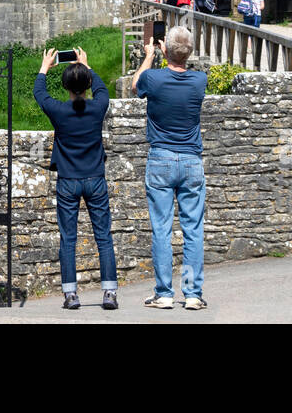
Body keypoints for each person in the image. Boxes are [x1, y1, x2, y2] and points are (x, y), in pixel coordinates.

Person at [35, 47, 118, 310]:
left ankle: (71, 295)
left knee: (68, 238)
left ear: (66, 87)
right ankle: (109, 293)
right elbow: (103, 92)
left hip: (68, 180)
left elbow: (40, 95)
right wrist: (88, 66)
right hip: (95, 178)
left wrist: (44, 68)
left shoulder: (59, 112)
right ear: (88, 85)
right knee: (103, 236)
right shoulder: (97, 108)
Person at [130, 25, 207, 310]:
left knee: (161, 229)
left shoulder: (154, 78)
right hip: (191, 160)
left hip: (161, 157)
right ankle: (192, 293)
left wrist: (149, 55)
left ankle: (163, 293)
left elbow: (135, 85)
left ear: (165, 49)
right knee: (192, 230)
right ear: (189, 52)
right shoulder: (200, 81)